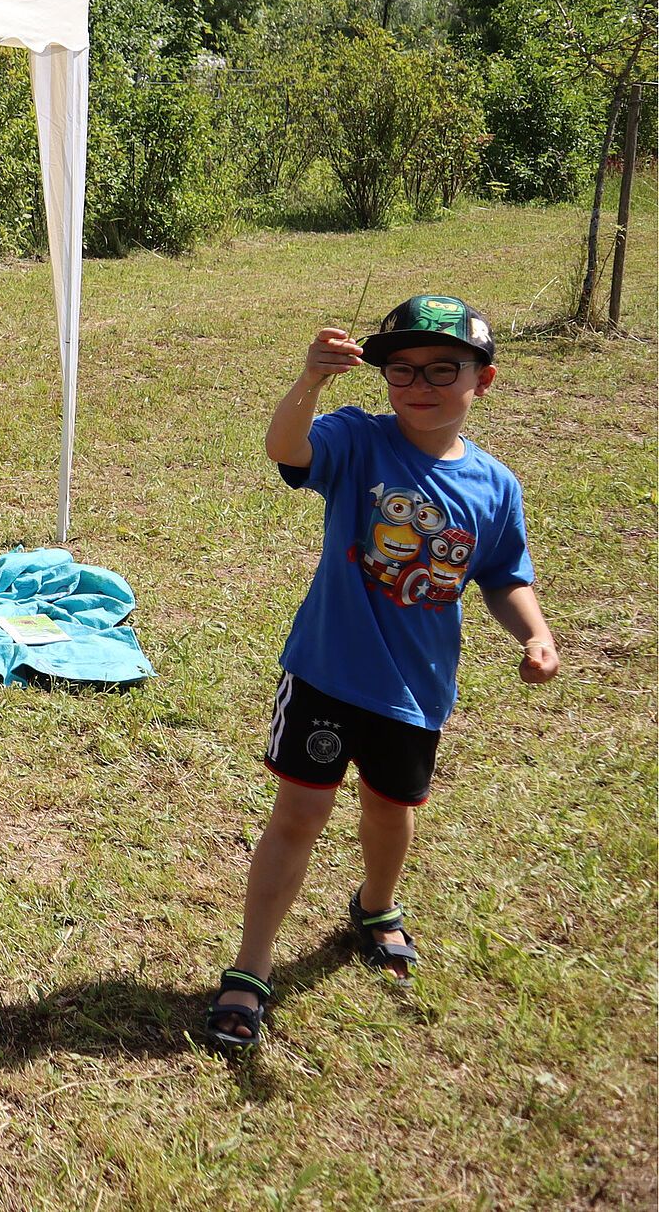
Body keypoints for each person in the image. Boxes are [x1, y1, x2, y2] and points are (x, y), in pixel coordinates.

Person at [203, 296, 556, 1053]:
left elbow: (502, 575)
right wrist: (309, 382)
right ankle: (252, 965)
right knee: (297, 815)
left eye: (441, 369)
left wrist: (535, 633)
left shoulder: (495, 487)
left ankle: (377, 905)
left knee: (391, 813)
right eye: (401, 369)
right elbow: (285, 448)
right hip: (327, 672)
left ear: (483, 381)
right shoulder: (358, 440)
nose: (419, 384)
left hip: (416, 691)